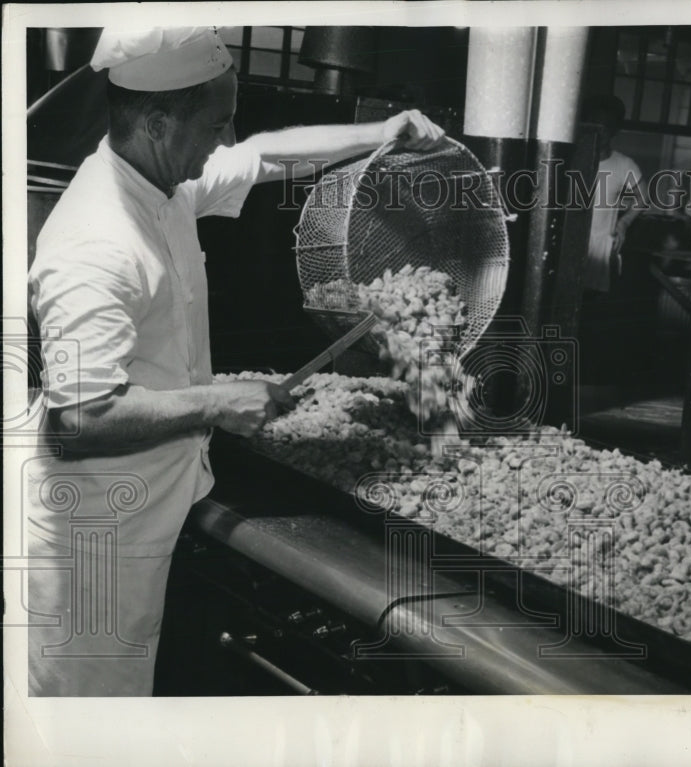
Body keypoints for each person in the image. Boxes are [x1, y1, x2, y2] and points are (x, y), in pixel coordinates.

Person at [25, 26, 446, 696]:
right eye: (216, 123)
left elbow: (265, 157)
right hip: (93, 547)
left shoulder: (158, 176)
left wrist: (381, 134)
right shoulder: (96, 240)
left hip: (151, 506)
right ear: (159, 121)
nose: (224, 140)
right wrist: (222, 400)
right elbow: (77, 417)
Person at [579, 95, 647, 384]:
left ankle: (583, 375)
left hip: (599, 245)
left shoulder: (624, 164)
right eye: (595, 124)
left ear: (615, 131)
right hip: (569, 247)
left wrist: (624, 223)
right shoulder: (575, 159)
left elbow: (643, 199)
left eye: (606, 126)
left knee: (588, 316)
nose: (600, 130)